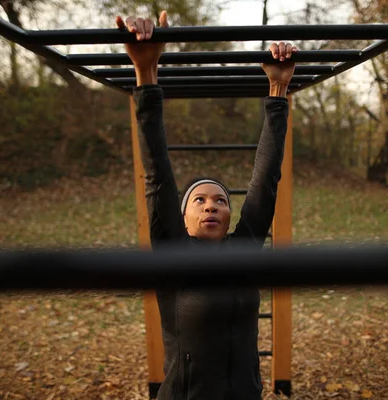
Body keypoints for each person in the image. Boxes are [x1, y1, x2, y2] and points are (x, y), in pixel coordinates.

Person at [116, 10, 296, 400]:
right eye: (199, 200)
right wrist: (146, 75)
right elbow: (158, 176)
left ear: (232, 216)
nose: (211, 206)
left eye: (220, 200)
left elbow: (265, 181)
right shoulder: (172, 253)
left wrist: (277, 91)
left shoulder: (244, 249)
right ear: (182, 217)